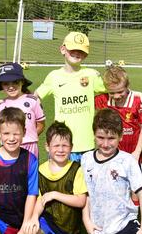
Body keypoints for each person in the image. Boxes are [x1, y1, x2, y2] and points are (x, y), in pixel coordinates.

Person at [22, 122, 87, 234]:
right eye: (56, 145)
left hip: (68, 229)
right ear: (47, 147)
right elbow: (40, 200)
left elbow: (81, 201)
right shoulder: (41, 169)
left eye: (65, 145)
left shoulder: (76, 169)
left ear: (71, 147)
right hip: (49, 221)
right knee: (29, 229)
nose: (60, 149)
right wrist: (34, 217)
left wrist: (56, 194)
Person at [35, 31, 105, 162]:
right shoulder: (54, 76)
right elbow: (35, 97)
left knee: (84, 182)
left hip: (87, 144)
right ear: (63, 49)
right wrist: (9, 102)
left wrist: (137, 95)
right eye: (73, 49)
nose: (77, 53)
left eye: (81, 51)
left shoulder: (91, 74)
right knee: (60, 182)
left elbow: (115, 88)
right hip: (62, 144)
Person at [95, 65, 142, 209]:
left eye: (120, 91)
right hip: (112, 154)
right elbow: (86, 93)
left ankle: (135, 217)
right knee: (114, 184)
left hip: (133, 153)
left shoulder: (136, 101)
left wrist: (137, 151)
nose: (117, 96)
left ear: (127, 86)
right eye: (112, 92)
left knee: (136, 188)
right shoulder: (103, 100)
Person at [0, 62, 45, 157]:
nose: (11, 86)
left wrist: (29, 138)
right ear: (1, 85)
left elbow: (41, 124)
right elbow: (0, 131)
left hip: (30, 146)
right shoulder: (0, 106)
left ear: (22, 82)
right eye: (6, 83)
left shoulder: (33, 100)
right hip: (9, 147)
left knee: (30, 171)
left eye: (15, 82)